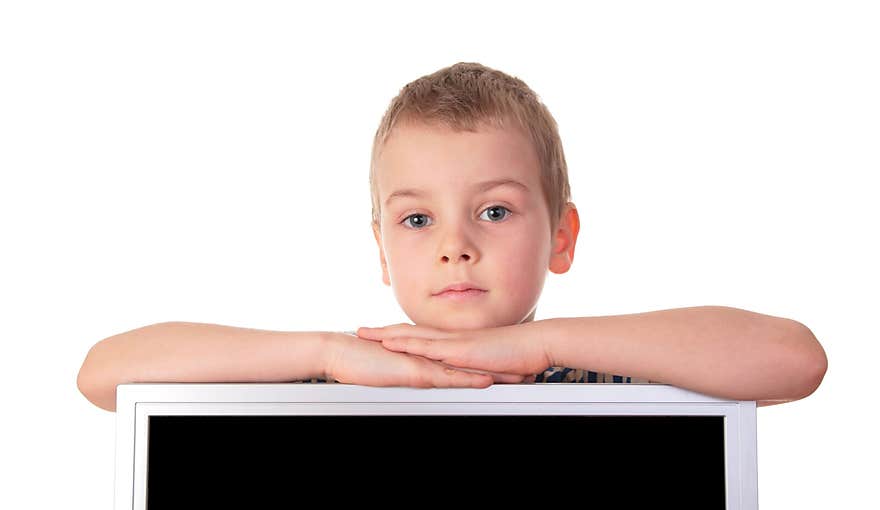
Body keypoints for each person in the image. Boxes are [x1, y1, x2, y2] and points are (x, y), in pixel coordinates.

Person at [76, 62, 827, 413]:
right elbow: (106, 375)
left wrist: (546, 345)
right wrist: (327, 353)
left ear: (560, 237)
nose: (455, 246)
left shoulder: (612, 384)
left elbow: (794, 360)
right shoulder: (339, 382)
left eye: (494, 212)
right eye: (416, 220)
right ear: (380, 249)